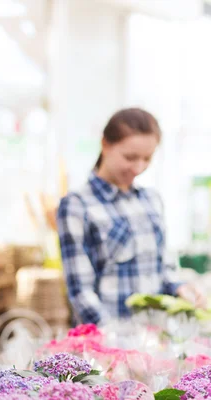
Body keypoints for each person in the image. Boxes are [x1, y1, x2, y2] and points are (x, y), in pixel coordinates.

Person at [56, 107, 206, 326]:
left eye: (147, 158)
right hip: (104, 347)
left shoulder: (151, 200)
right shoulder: (77, 205)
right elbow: (80, 292)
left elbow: (163, 269)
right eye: (130, 157)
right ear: (105, 145)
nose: (139, 167)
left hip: (156, 339)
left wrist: (180, 287)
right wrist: (115, 341)